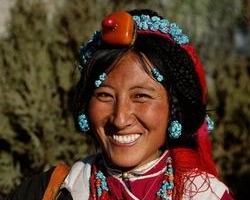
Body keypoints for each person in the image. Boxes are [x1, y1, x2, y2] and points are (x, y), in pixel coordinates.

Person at [6, 9, 234, 200]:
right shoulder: (49, 192)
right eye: (105, 95)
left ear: (173, 108)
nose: (120, 119)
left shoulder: (205, 195)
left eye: (141, 96)